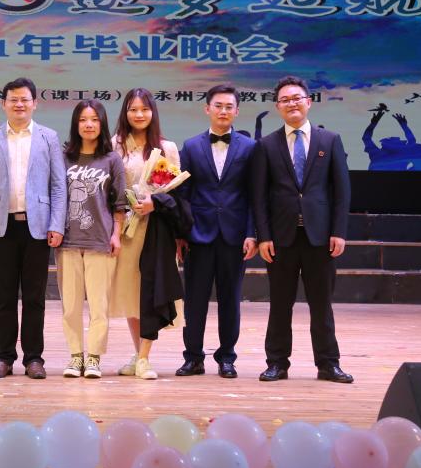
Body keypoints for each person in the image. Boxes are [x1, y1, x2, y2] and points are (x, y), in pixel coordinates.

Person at [251, 75, 354, 383]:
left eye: (297, 98)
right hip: (281, 239)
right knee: (279, 305)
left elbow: (342, 190)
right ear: (277, 107)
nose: (291, 104)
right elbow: (259, 196)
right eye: (285, 100)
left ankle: (328, 364)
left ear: (308, 102)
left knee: (321, 305)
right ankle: (277, 363)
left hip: (319, 238)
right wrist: (263, 236)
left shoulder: (329, 140)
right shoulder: (267, 145)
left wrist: (339, 231)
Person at [0, 77, 67, 379]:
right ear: (3, 104)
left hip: (37, 228)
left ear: (35, 103)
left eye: (25, 99)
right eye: (13, 99)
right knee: (3, 298)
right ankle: (3, 357)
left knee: (35, 298)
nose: (19, 104)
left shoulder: (48, 137)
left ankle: (34, 358)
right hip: (1, 229)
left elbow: (58, 185)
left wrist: (56, 224)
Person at [175, 84, 257, 379]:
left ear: (237, 111)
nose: (223, 111)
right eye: (218, 105)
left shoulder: (250, 147)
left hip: (235, 236)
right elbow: (183, 194)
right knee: (194, 300)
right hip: (198, 235)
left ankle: (227, 358)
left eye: (229, 106)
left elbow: (254, 194)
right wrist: (181, 234)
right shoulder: (191, 146)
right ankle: (193, 357)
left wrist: (252, 233)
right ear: (207, 108)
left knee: (230, 300)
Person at [109, 88, 184, 380]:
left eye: (144, 109)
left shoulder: (167, 147)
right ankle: (138, 353)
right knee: (131, 295)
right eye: (133, 109)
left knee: (152, 292)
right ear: (125, 113)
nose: (139, 115)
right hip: (127, 230)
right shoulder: (115, 145)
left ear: (153, 112)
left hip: (156, 231)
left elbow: (175, 194)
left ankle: (144, 358)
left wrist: (155, 202)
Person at [58, 100, 126, 379]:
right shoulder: (63, 157)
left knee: (99, 305)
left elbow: (119, 203)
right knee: (70, 306)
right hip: (68, 242)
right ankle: (76, 357)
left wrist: (116, 234)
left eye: (95, 120)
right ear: (76, 124)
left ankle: (94, 357)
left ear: (102, 124)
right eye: (83, 120)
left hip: (100, 240)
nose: (89, 125)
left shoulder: (112, 160)